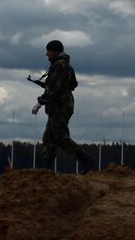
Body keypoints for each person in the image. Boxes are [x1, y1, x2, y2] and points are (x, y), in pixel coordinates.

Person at [31, 39, 97, 173]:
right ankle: (46, 170)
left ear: (55, 51)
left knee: (61, 137)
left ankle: (86, 159)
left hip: (59, 107)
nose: (47, 54)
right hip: (61, 105)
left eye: (48, 51)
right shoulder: (66, 66)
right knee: (49, 138)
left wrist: (39, 102)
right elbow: (73, 84)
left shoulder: (58, 66)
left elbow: (53, 90)